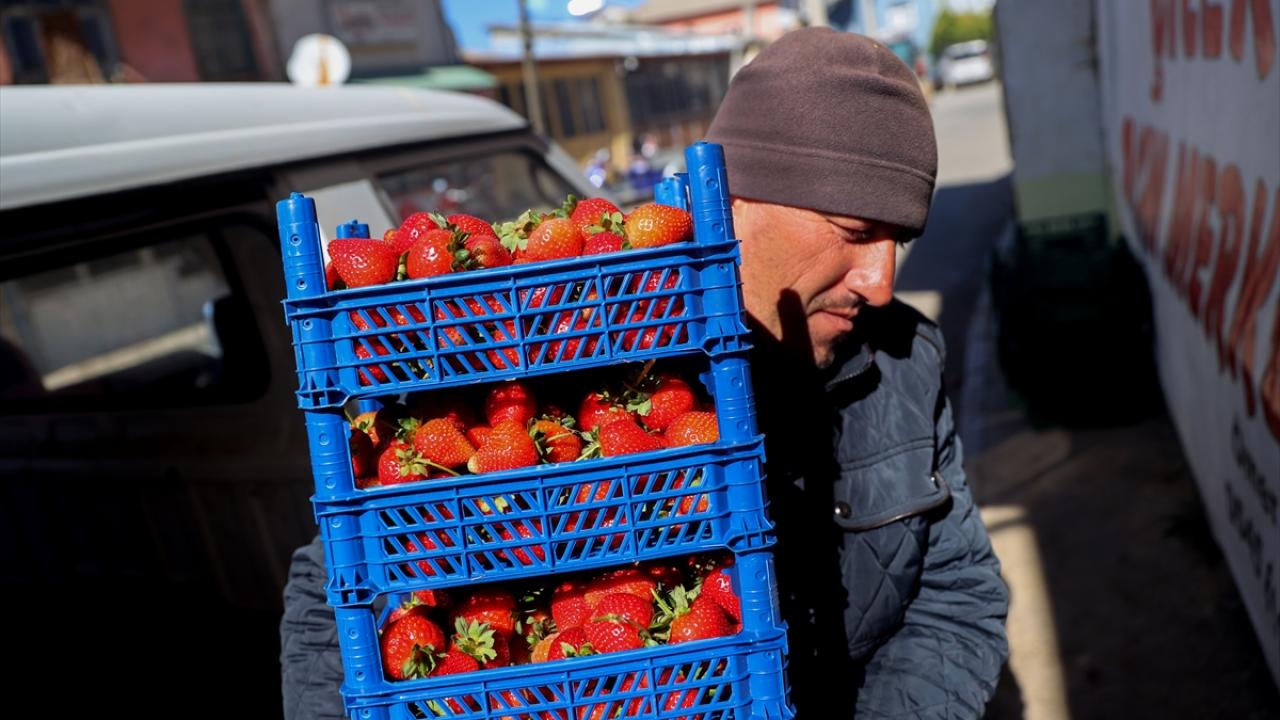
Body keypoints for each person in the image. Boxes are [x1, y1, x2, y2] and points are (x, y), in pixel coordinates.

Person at [280, 27, 1008, 719]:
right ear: (738, 200)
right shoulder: (563, 357)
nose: (882, 282)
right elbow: (339, 594)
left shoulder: (905, 361)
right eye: (856, 234)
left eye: (900, 239)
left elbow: (956, 594)